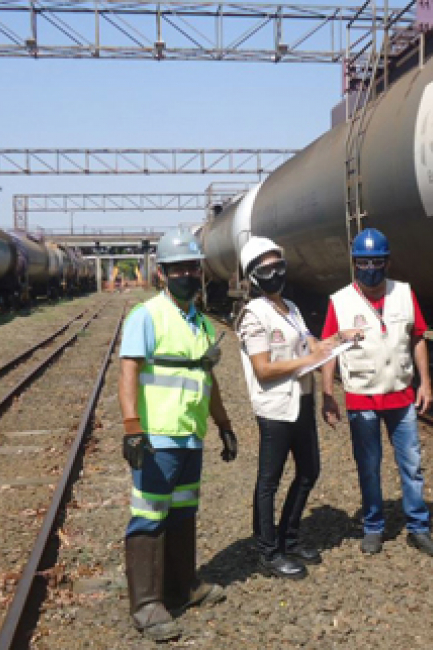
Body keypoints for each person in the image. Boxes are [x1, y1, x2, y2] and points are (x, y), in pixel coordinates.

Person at [118, 227, 240, 642]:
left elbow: (209, 381)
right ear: (162, 273)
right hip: (157, 439)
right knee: (150, 516)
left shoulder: (202, 324)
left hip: (190, 437)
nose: (186, 274)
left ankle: (183, 587)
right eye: (178, 268)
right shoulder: (146, 316)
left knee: (184, 512)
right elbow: (129, 371)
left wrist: (223, 424)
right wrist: (132, 427)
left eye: (191, 267)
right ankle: (147, 604)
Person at [234, 236, 362, 579]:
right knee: (268, 481)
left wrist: (339, 339)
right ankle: (267, 551)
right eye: (267, 269)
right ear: (253, 275)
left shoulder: (290, 308)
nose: (275, 273)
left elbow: (312, 344)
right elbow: (263, 368)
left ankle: (289, 538)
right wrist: (308, 359)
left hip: (301, 402)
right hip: (275, 408)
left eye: (279, 266)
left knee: (309, 471)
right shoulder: (253, 315)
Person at [320, 227, 433, 558]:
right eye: (363, 262)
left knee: (412, 463)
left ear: (387, 262)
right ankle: (373, 526)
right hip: (362, 397)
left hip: (401, 395)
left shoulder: (404, 293)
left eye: (376, 261)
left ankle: (418, 527)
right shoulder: (340, 301)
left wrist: (426, 382)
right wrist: (328, 392)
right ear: (355, 264)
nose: (369, 268)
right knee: (369, 465)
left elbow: (418, 337)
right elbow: (329, 348)